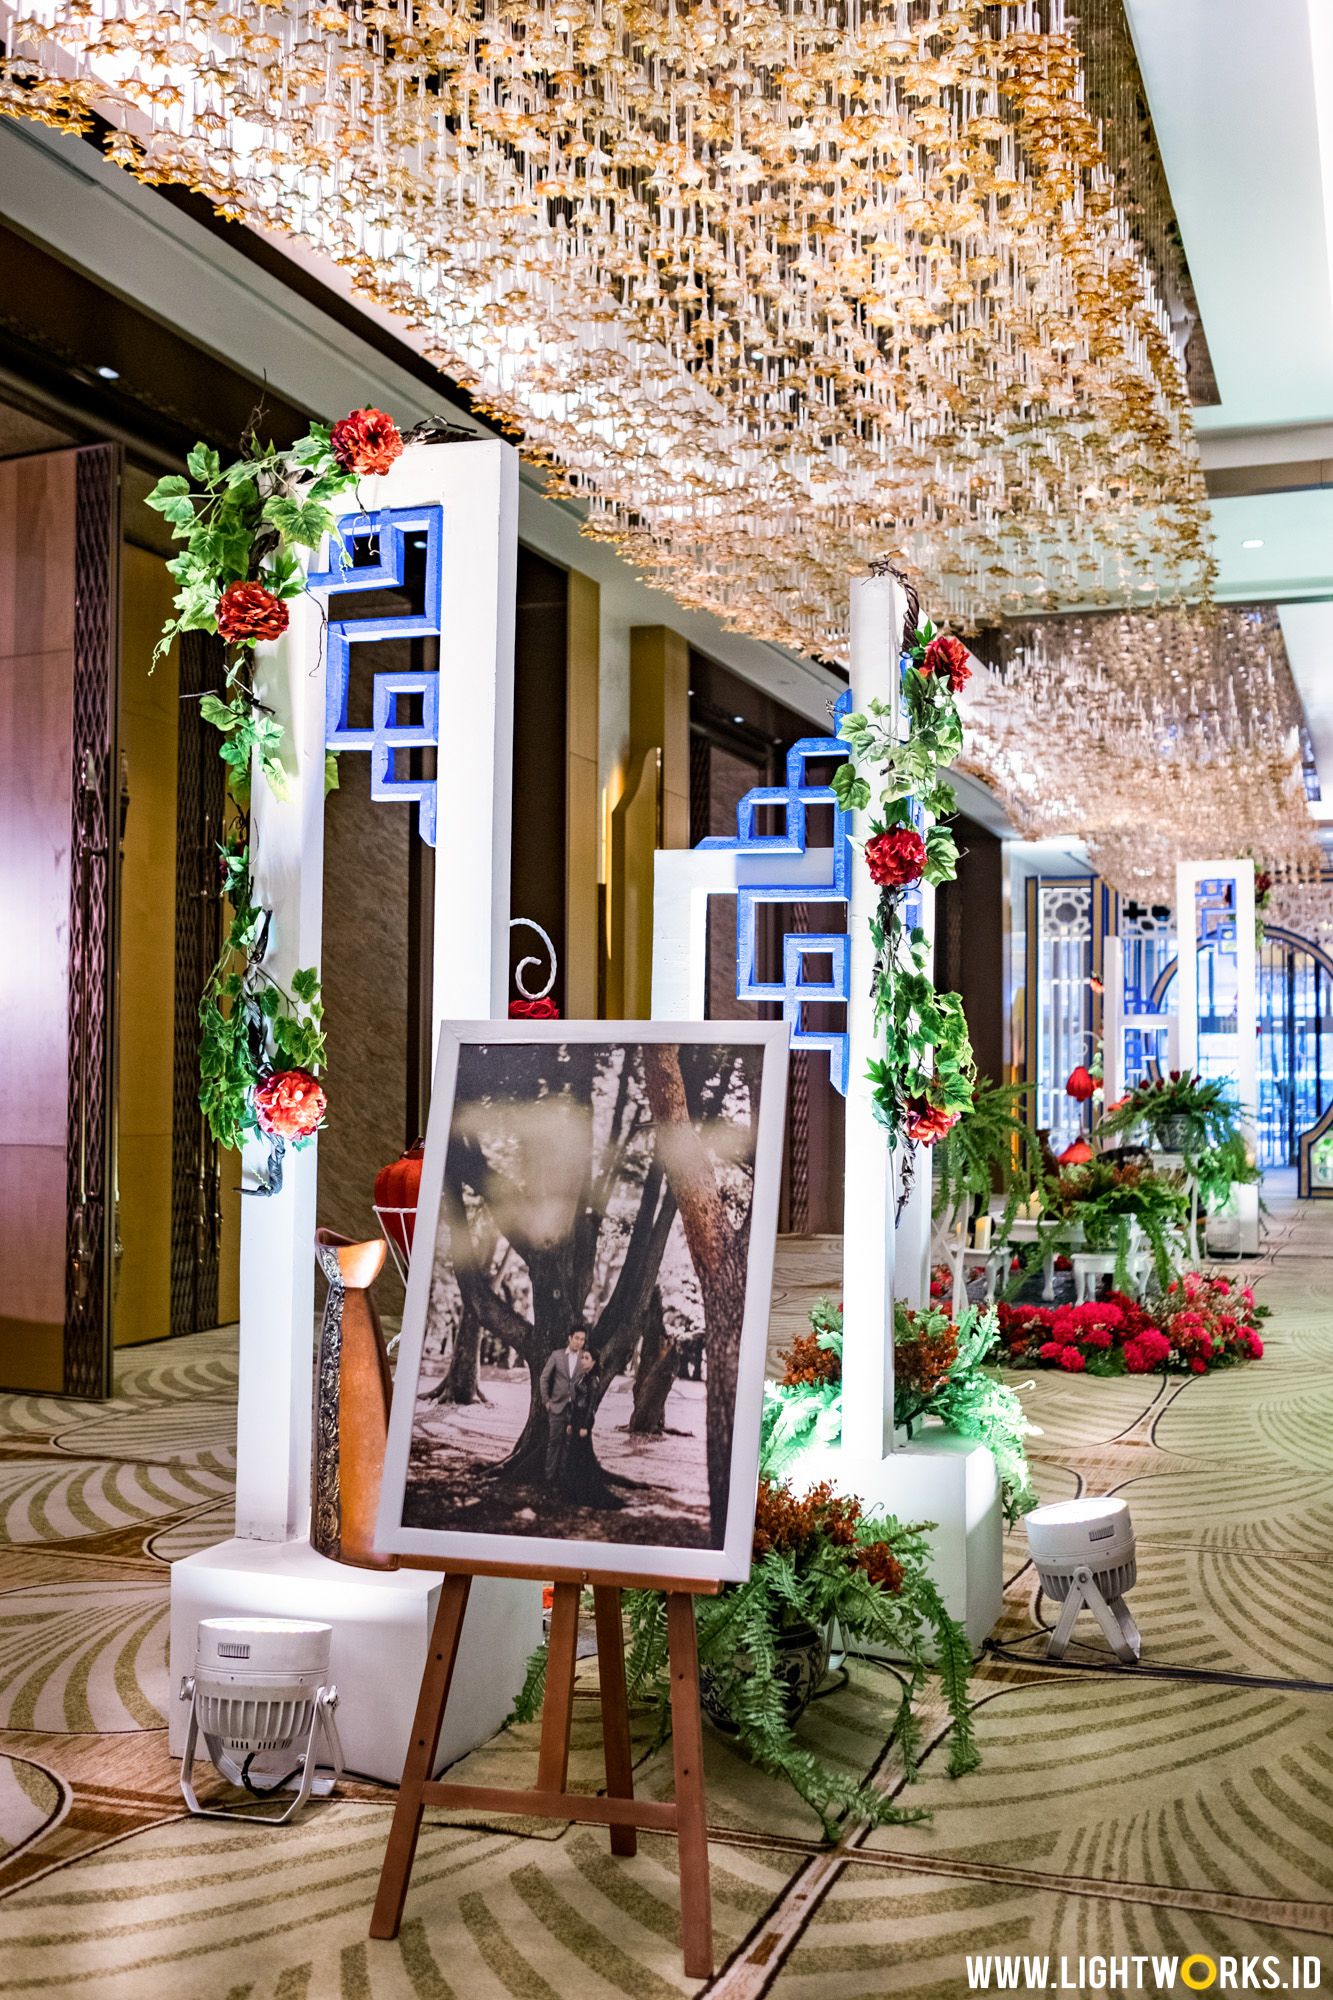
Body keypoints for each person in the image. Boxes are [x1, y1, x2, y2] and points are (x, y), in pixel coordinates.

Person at [561, 1350, 623, 1510]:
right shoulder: (582, 1376)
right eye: (582, 1357)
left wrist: (585, 1426)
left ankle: (587, 1493)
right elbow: (575, 1402)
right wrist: (570, 1422)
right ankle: (572, 1492)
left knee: (582, 1456)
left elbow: (591, 1406)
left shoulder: (594, 1380)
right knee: (573, 1456)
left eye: (586, 1358)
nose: (583, 1360)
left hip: (583, 1420)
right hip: (575, 1419)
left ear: (594, 1362)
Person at [538, 1327, 587, 1484]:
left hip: (575, 1410)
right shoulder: (556, 1355)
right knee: (554, 1443)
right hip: (557, 1406)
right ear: (570, 1338)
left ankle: (563, 1480)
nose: (579, 1342)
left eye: (582, 1339)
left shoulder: (585, 1358)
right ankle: (549, 1478)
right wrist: (547, 1401)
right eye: (577, 1338)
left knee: (569, 1444)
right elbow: (544, 1378)